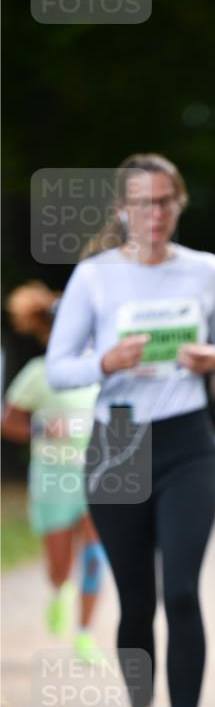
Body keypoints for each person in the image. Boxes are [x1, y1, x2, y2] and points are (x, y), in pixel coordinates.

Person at [46, 153, 215, 707]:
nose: (153, 214)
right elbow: (58, 368)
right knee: (137, 602)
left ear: (177, 205)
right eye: (141, 203)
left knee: (182, 592)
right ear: (121, 211)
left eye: (164, 202)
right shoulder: (95, 277)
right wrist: (105, 360)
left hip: (188, 440)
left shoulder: (205, 270)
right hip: (119, 441)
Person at [2, 282, 105, 662]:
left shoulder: (102, 370)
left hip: (97, 476)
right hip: (52, 476)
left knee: (96, 553)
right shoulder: (38, 373)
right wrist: (43, 429)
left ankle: (85, 634)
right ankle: (60, 588)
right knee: (59, 566)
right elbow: (8, 422)